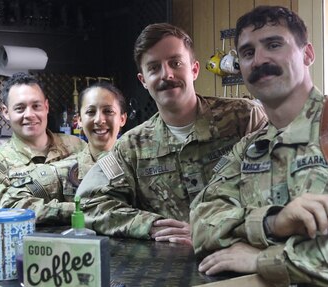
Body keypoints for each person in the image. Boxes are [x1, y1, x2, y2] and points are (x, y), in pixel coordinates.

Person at [76, 23, 268, 244]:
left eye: (175, 63)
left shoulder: (244, 118)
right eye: (154, 68)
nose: (166, 74)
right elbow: (89, 203)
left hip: (240, 256)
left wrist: (213, 230)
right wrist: (149, 225)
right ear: (143, 81)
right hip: (170, 266)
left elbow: (275, 186)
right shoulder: (131, 147)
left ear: (194, 69)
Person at [190, 6, 328, 286]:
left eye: (274, 44)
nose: (259, 59)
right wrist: (273, 223)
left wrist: (261, 260)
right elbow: (201, 223)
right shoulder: (250, 148)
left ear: (308, 54)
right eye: (247, 52)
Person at [0, 76, 127, 224]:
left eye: (36, 106)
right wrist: (73, 210)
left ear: (46, 107)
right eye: (20, 108)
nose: (29, 115)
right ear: (5, 112)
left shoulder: (77, 146)